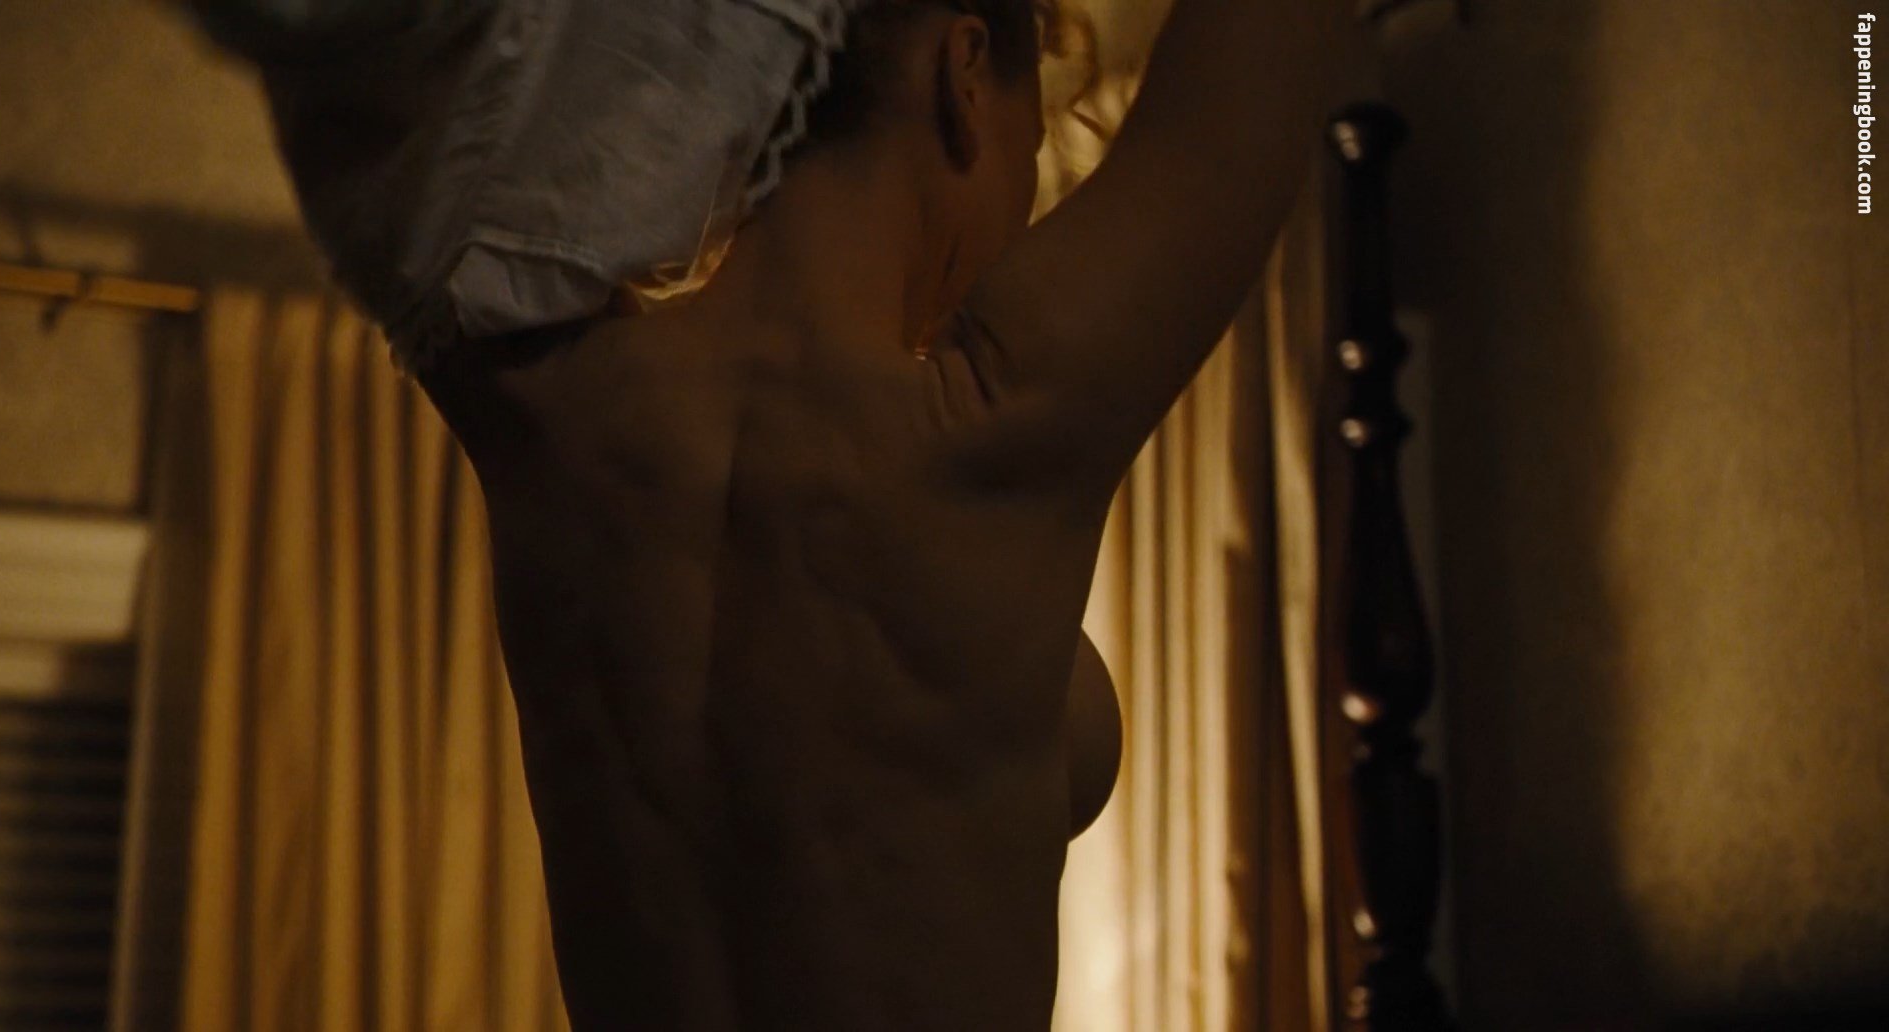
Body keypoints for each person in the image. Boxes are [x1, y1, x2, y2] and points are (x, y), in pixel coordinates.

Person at [186, 0, 1330, 1025]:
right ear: (964, 72)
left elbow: (347, 66)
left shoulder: (547, 408)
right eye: (1030, 156)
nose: (1019, 219)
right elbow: (1260, 63)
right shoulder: (994, 426)